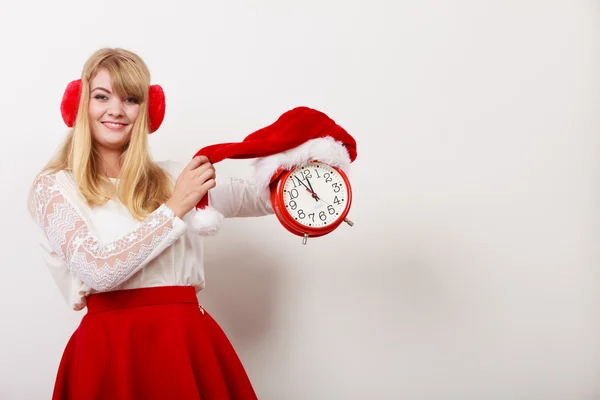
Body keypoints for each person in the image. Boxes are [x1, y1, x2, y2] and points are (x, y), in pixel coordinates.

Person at [28, 47, 272, 400]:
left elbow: (264, 198)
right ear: (79, 104)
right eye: (102, 96)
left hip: (187, 345)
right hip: (109, 353)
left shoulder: (177, 176)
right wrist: (175, 207)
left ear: (147, 110)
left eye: (131, 99)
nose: (116, 110)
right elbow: (98, 271)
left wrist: (302, 163)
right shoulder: (55, 187)